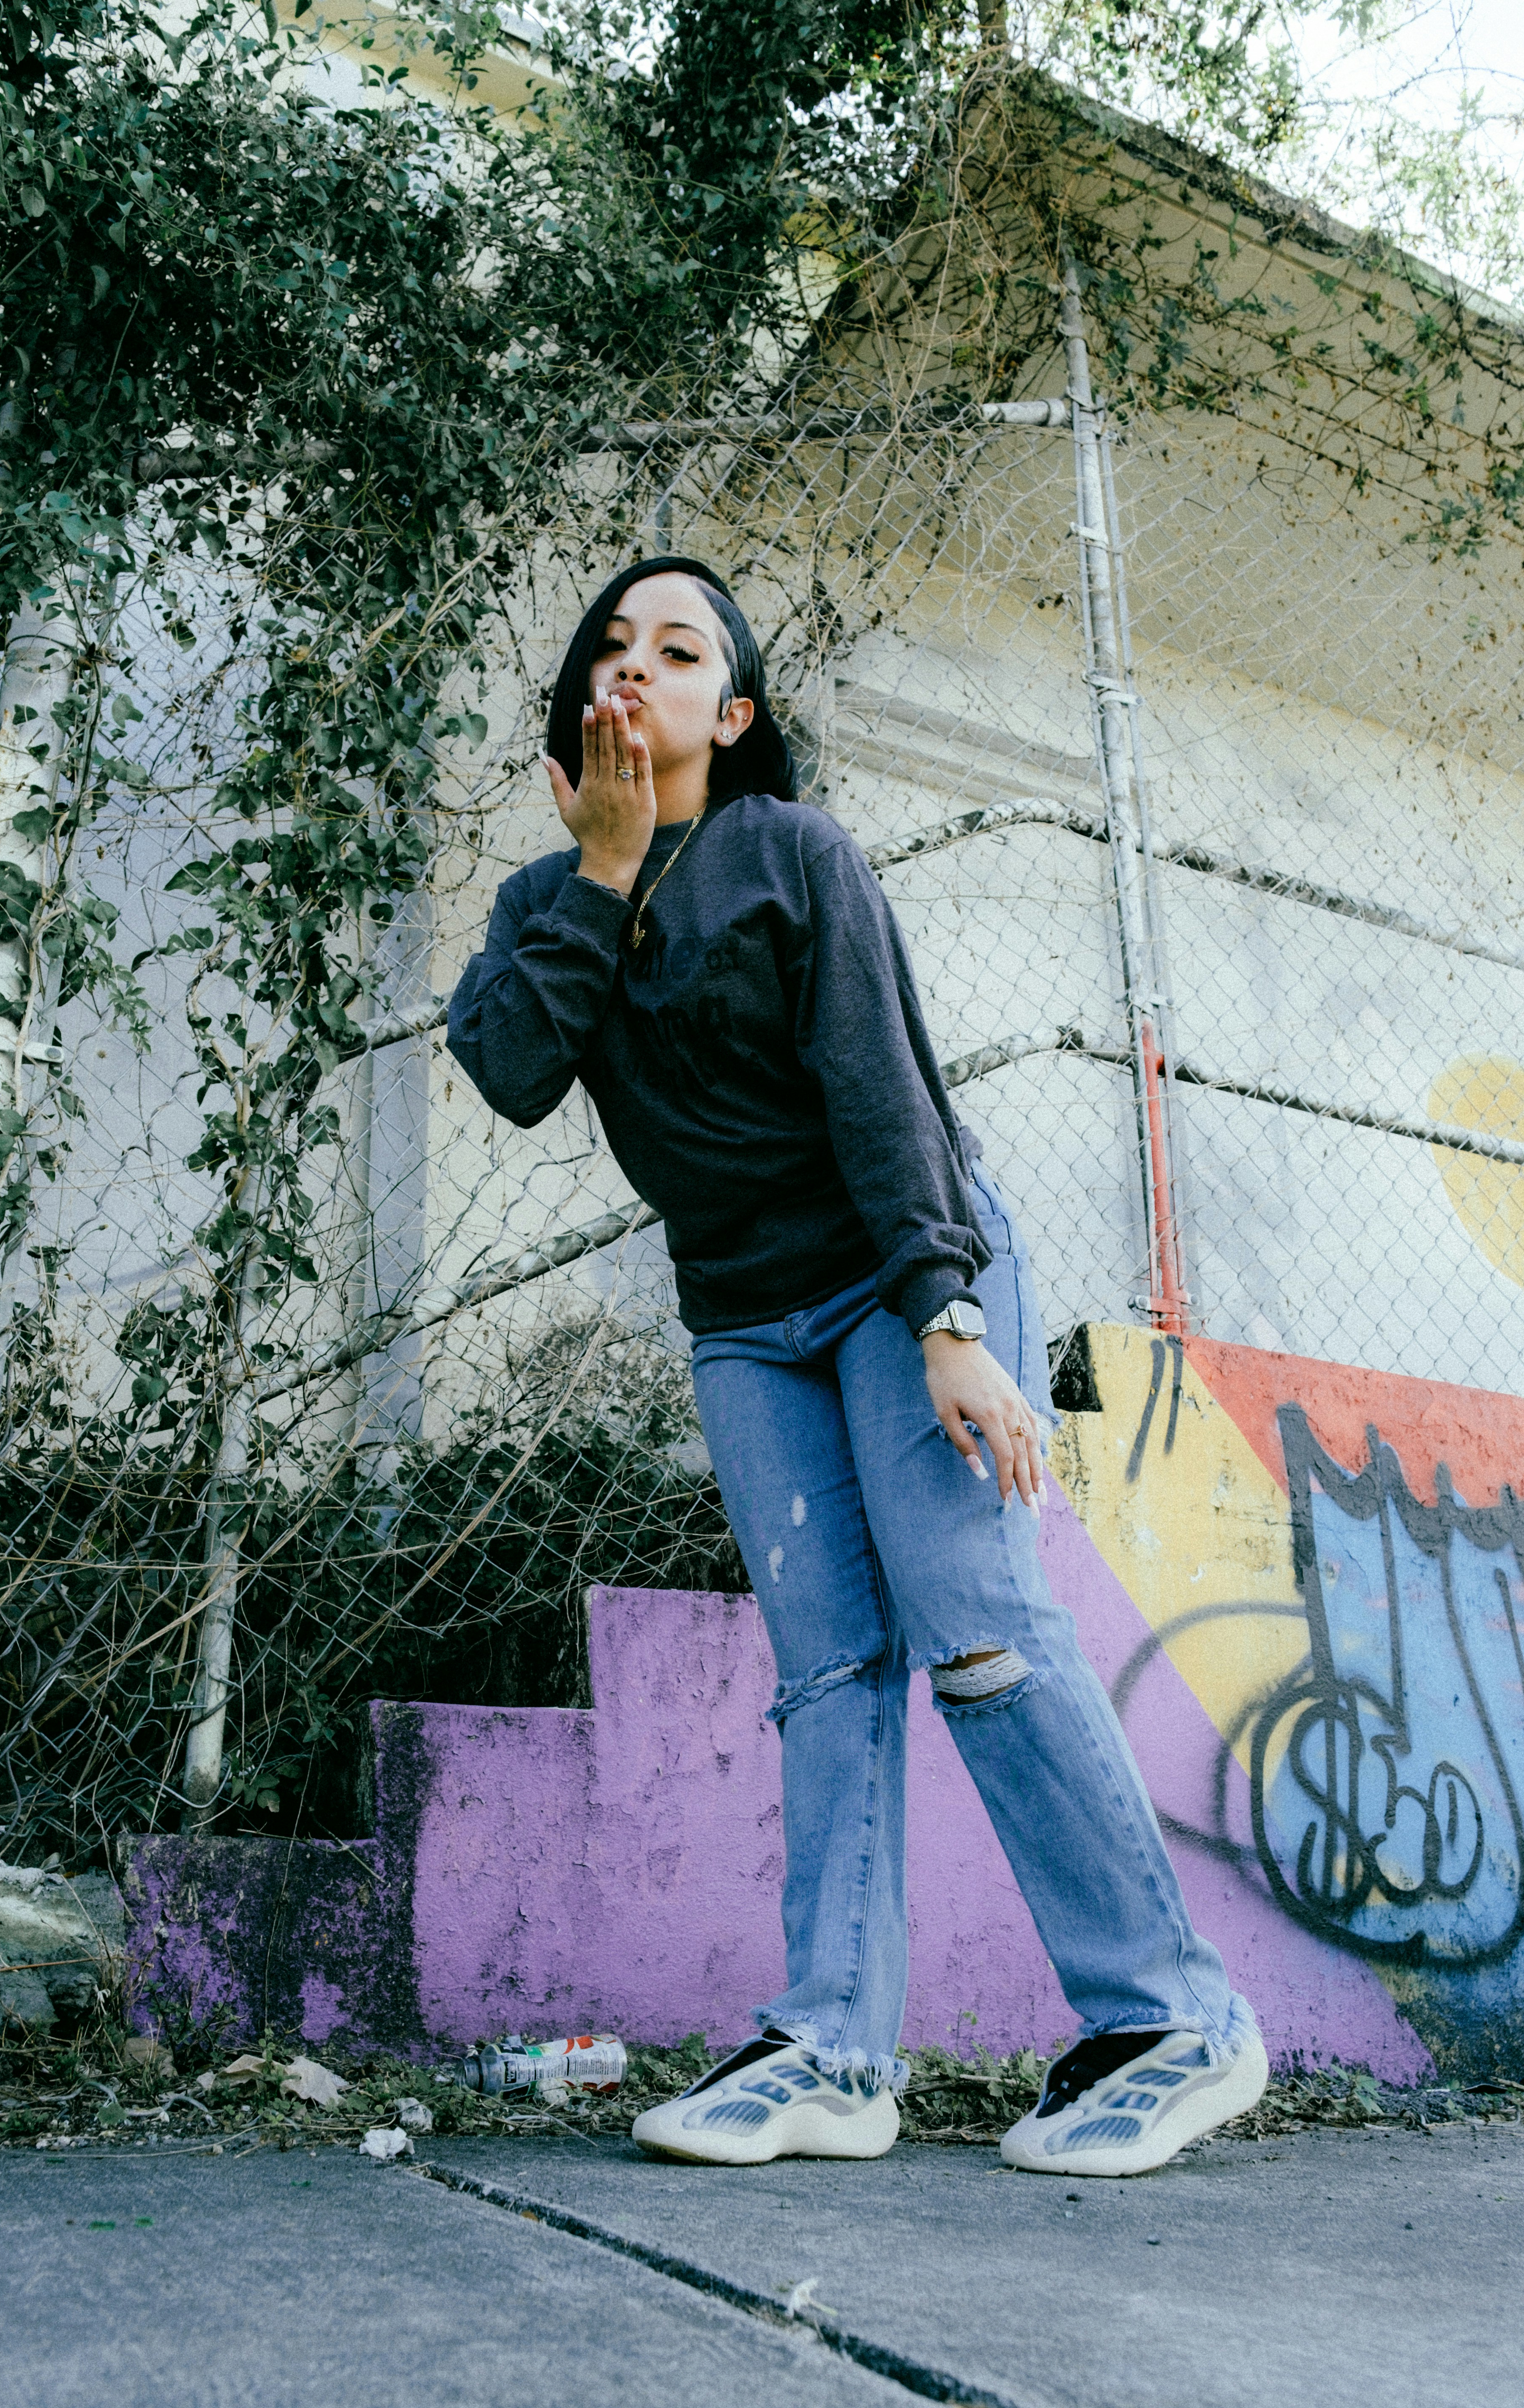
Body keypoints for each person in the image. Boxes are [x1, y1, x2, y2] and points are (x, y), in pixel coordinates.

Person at [446, 554, 1267, 2177]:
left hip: (907, 1284)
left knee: (980, 1632)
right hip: (747, 1324)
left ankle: (1172, 2019)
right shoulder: (551, 905)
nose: (638, 667)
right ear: (578, 712)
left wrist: (949, 1324)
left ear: (732, 713)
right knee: (826, 1674)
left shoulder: (789, 851)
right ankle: (832, 2049)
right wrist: (604, 875)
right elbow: (509, 1069)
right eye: (612, 645)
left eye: (681, 650)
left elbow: (884, 1090)